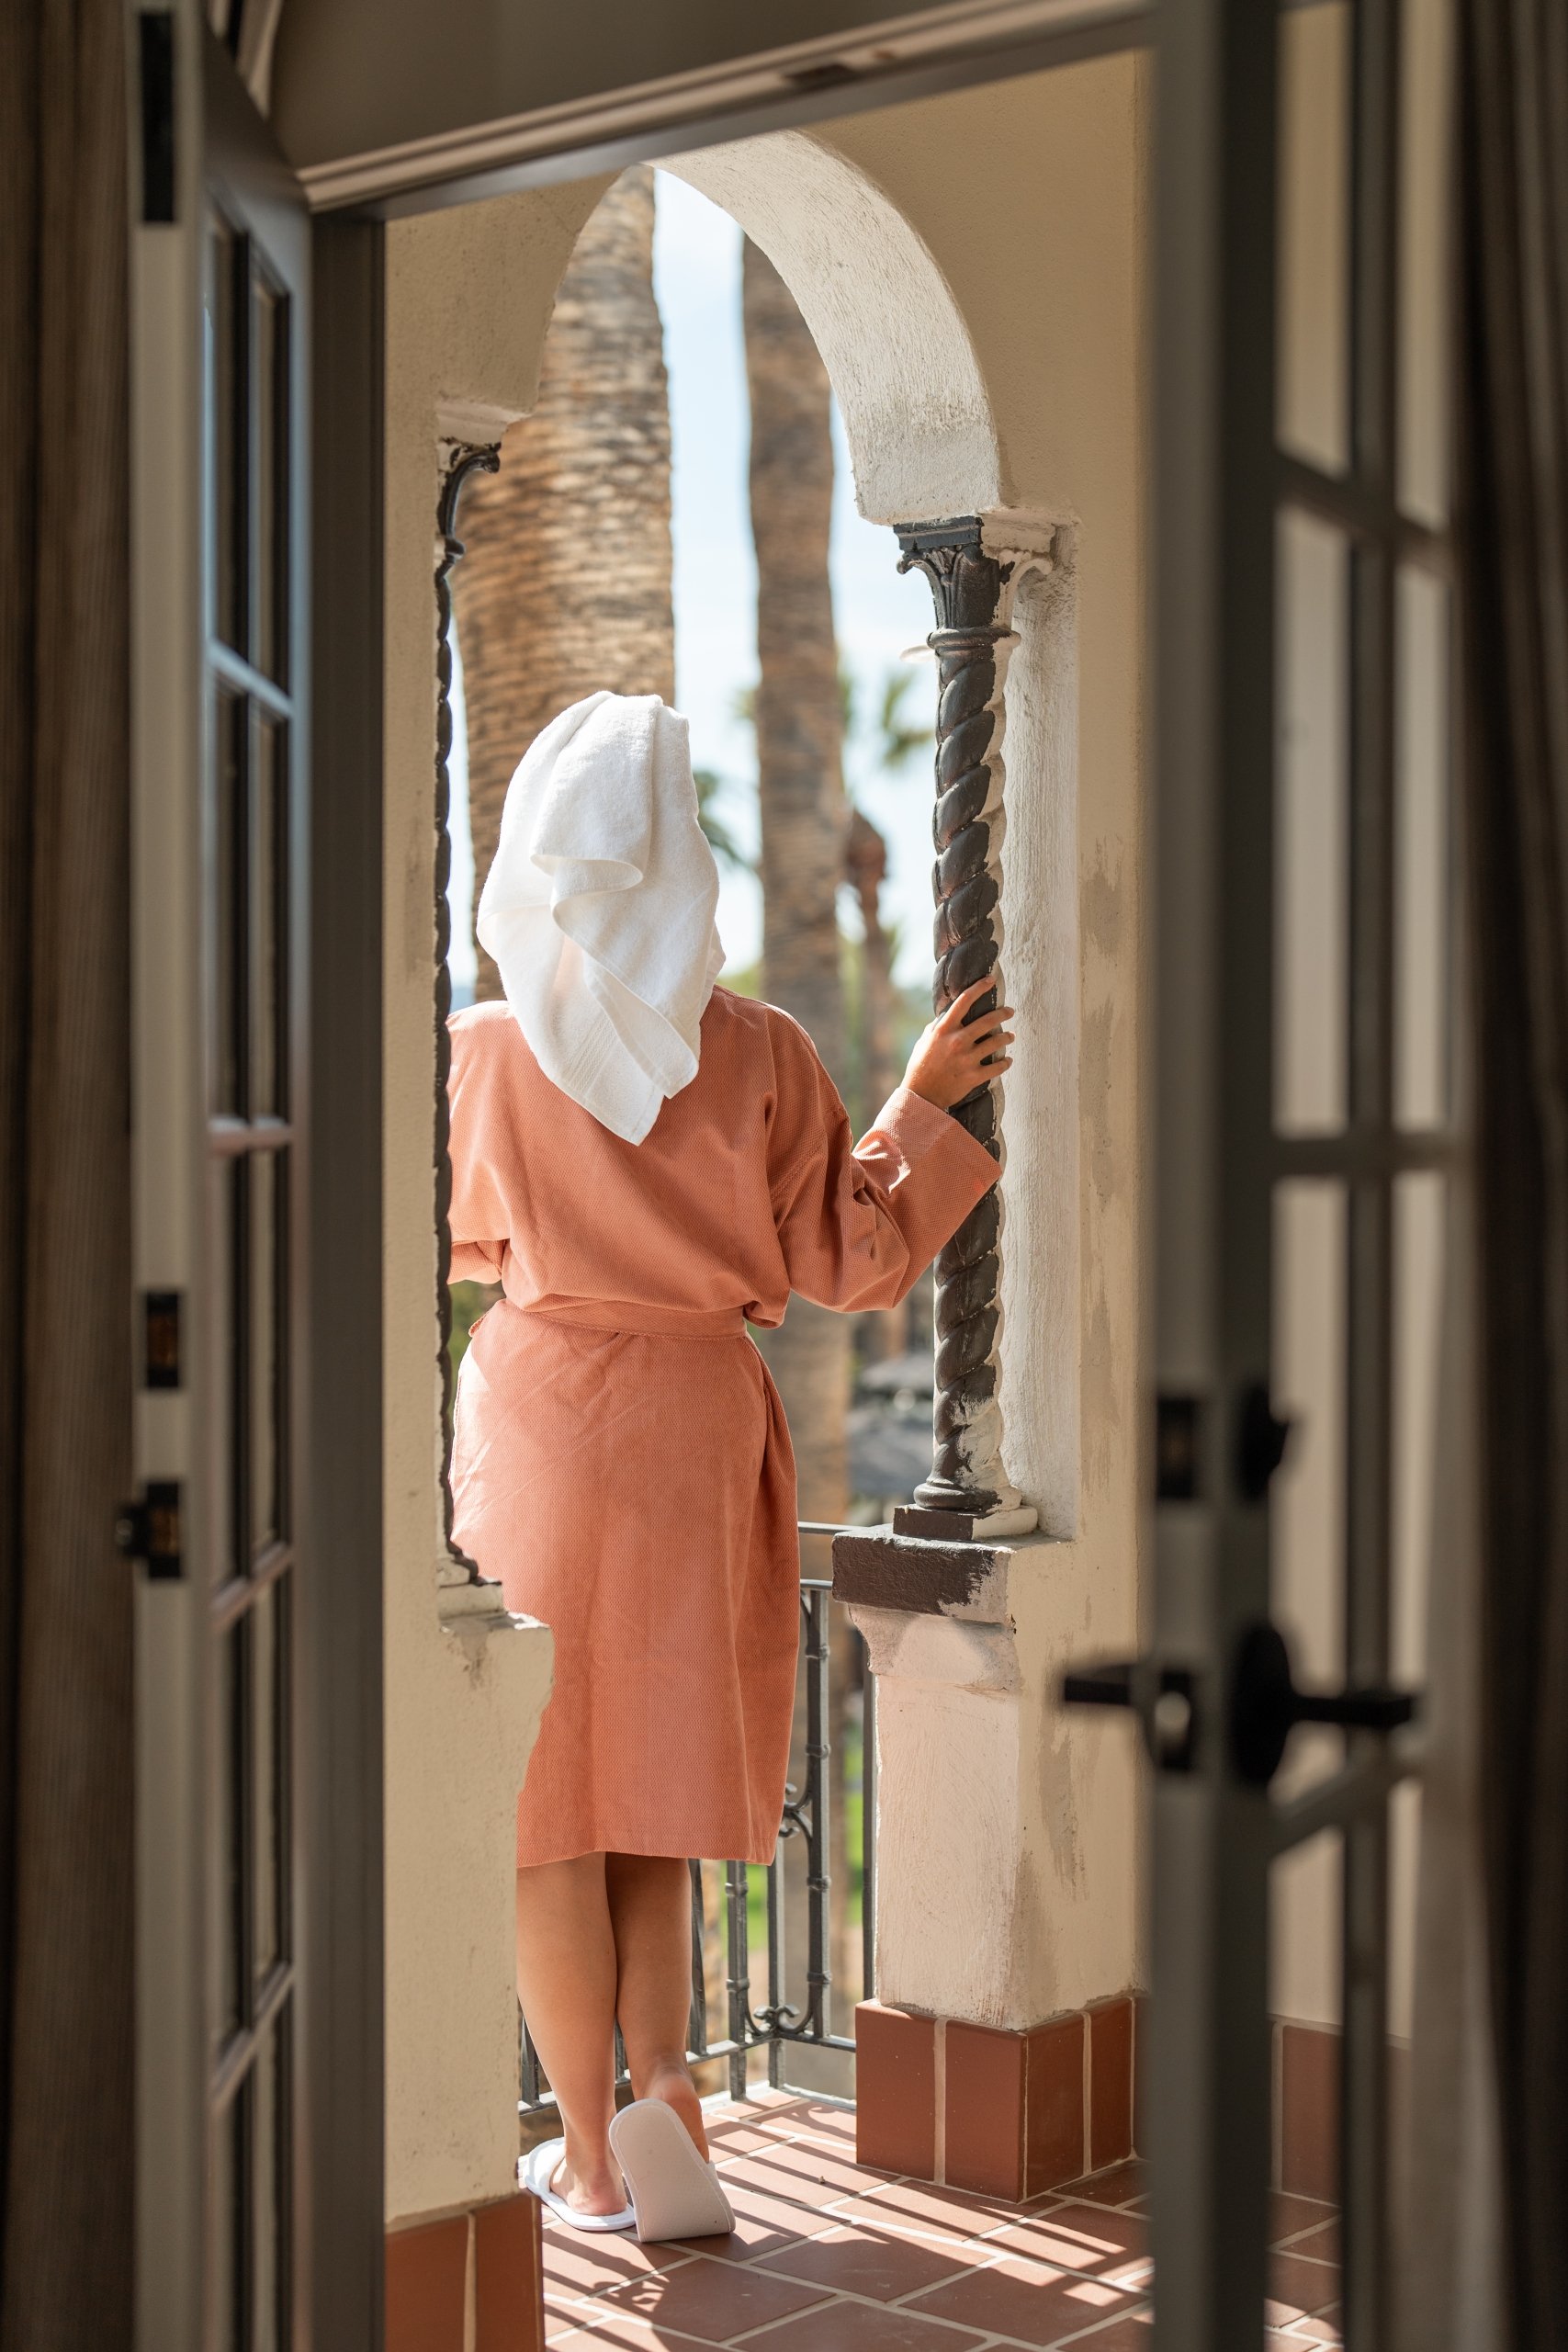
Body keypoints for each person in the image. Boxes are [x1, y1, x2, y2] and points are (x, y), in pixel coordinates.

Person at [446, 691, 1010, 2240]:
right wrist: (921, 1104)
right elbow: (857, 1256)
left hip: (545, 1428)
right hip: (700, 1432)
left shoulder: (483, 1056)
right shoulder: (756, 1049)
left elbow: (421, 1238)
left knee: (545, 1804)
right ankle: (668, 2076)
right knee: (649, 1782)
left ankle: (592, 2155)